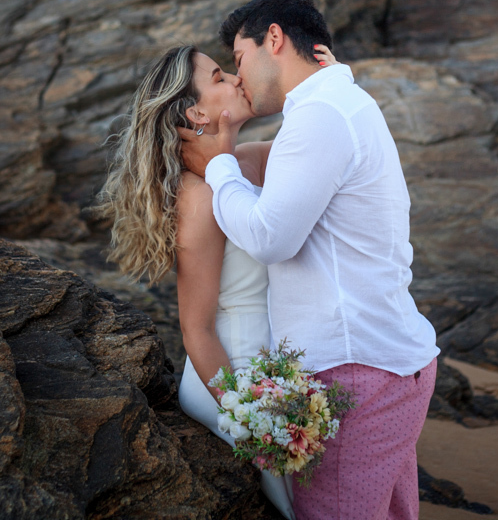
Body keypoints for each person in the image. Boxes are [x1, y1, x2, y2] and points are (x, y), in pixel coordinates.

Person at [178, 0, 442, 520]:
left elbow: (271, 237)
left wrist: (219, 163)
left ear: (273, 39)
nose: (238, 77)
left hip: (357, 369)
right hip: (381, 362)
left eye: (238, 58)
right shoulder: (333, 107)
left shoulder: (320, 114)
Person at [96, 41, 338, 519]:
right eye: (218, 78)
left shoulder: (244, 162)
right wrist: (248, 416)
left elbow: (318, 141)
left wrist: (323, 79)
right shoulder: (199, 199)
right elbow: (196, 329)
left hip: (273, 365)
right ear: (196, 113)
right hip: (232, 374)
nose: (234, 80)